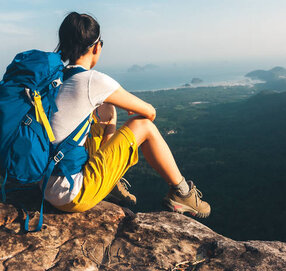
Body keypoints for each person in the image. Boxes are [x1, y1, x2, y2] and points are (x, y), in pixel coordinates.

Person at [44, 12, 211, 218]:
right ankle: (182, 193)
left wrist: (112, 110)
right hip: (71, 194)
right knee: (144, 126)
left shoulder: (55, 79)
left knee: (106, 110)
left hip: (45, 184)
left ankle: (110, 182)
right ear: (97, 47)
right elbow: (150, 113)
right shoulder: (91, 81)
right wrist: (134, 109)